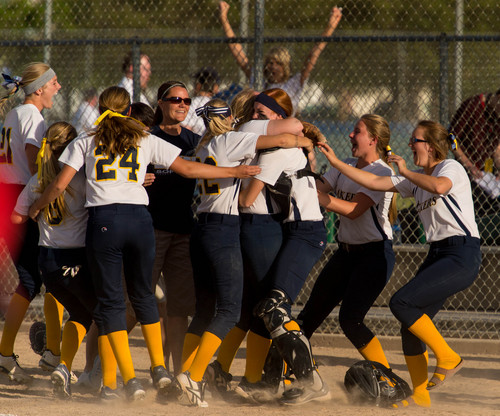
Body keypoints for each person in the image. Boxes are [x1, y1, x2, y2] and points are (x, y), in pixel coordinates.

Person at [27, 86, 261, 401]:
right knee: (145, 296)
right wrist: (233, 171)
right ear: (128, 111)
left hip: (105, 223)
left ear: (100, 110)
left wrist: (35, 206)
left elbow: (59, 185)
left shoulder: (85, 140)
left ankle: (112, 383)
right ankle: (159, 369)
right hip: (140, 223)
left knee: (111, 303)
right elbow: (189, 169)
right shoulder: (144, 138)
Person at [317, 120, 481, 408]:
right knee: (410, 325)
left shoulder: (448, 167)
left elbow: (440, 187)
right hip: (438, 254)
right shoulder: (414, 179)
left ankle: (448, 357)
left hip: (461, 253)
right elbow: (371, 181)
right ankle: (420, 396)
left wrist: (405, 171)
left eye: (415, 140)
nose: (409, 145)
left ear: (430, 146)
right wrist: (333, 161)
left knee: (401, 303)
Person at [174, 98, 313, 407]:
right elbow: (283, 139)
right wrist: (308, 141)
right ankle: (193, 378)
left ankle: (182, 374)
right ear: (229, 119)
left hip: (202, 227)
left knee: (204, 312)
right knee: (231, 312)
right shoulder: (233, 138)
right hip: (223, 229)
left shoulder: (204, 145)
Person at [235, 96, 329, 406]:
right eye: (253, 112)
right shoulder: (279, 147)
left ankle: (310, 379)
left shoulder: (274, 151)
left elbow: (247, 201)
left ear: (275, 120)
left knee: (273, 307)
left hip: (306, 233)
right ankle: (271, 381)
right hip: (295, 231)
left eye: (261, 113)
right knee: (271, 307)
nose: (253, 116)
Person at [297, 115, 396, 373]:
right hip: (346, 254)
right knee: (309, 316)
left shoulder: (381, 172)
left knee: (350, 320)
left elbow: (353, 210)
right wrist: (302, 165)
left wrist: (315, 194)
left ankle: (387, 378)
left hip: (374, 256)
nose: (351, 136)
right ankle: (287, 373)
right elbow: (320, 184)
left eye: (357, 132)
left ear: (373, 140)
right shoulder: (348, 164)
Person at [11, 122, 96, 398]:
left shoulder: (37, 181)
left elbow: (16, 217)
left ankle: (59, 362)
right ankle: (97, 377)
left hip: (47, 260)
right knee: (98, 315)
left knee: (80, 313)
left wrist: (39, 219)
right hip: (75, 259)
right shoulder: (79, 179)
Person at [0, 63, 64, 384]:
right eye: (53, 82)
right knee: (36, 277)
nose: (59, 86)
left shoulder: (15, 114)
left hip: (11, 194)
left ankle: (46, 352)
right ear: (38, 88)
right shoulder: (31, 116)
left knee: (34, 278)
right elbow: (32, 157)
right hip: (22, 197)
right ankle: (12, 354)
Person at [147, 81, 200, 376]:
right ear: (161, 103)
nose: (182, 104)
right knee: (137, 302)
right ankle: (101, 367)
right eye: (175, 99)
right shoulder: (147, 137)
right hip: (152, 230)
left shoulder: (194, 141)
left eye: (186, 101)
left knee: (180, 307)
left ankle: (178, 373)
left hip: (183, 231)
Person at [218, 1, 342, 113]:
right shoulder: (259, 81)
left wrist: (330, 27)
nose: (273, 67)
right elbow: (238, 52)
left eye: (279, 64)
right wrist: (224, 19)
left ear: (285, 67)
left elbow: (313, 56)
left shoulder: (293, 84)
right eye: (270, 63)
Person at [449, 89, 500, 173]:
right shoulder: (472, 105)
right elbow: (450, 138)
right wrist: (469, 165)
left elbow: (496, 147)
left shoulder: (496, 115)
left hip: (487, 171)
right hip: (466, 167)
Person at [182, 67, 220, 136]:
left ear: (198, 86)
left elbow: (186, 128)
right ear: (215, 87)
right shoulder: (219, 104)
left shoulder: (193, 103)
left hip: (197, 141)